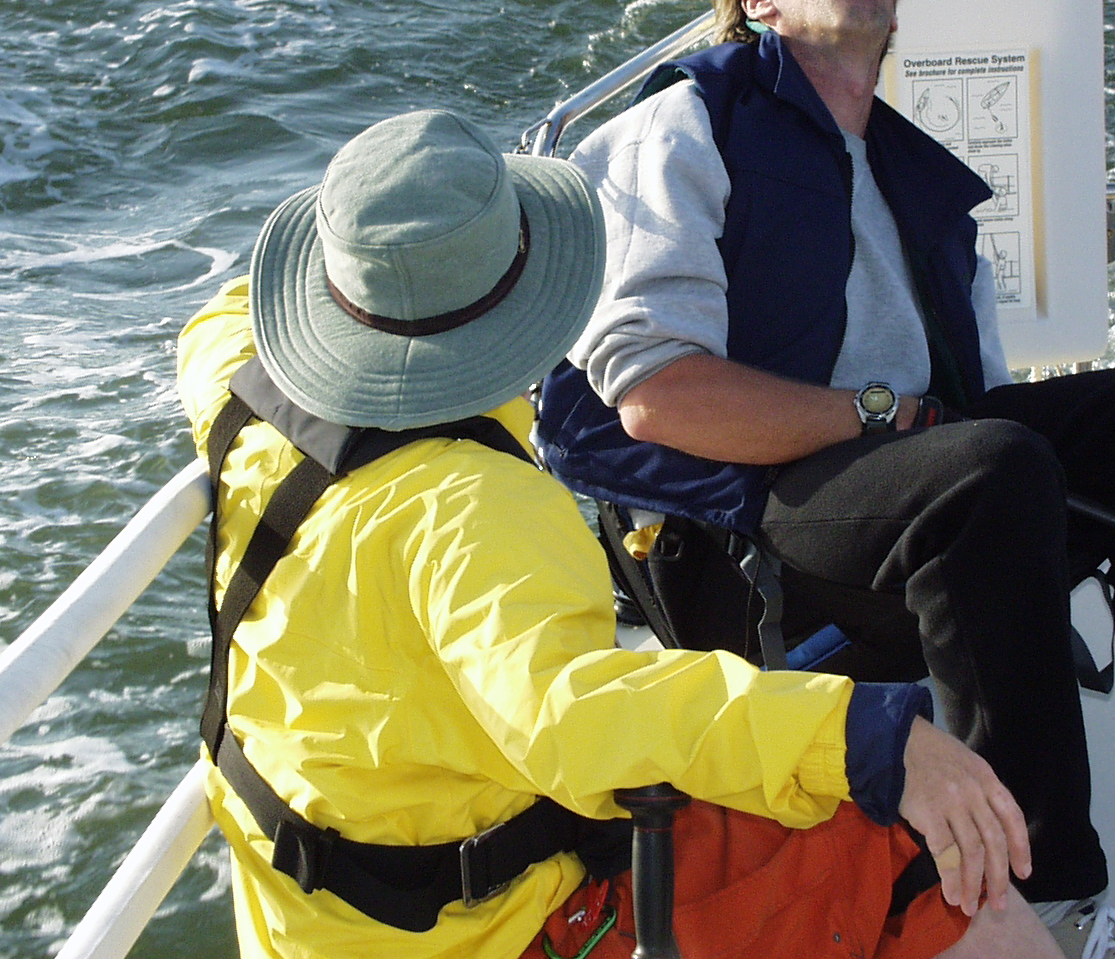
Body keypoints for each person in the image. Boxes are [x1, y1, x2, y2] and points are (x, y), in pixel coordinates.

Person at [537, 0, 1115, 959]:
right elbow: (656, 396)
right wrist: (882, 413)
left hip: (915, 498)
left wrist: (929, 434)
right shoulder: (685, 127)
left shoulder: (922, 184)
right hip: (737, 528)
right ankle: (1046, 900)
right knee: (988, 471)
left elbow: (984, 411)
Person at [178, 108, 1059, 959]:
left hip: (312, 919)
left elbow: (216, 319)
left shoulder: (239, 393)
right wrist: (862, 735)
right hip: (487, 932)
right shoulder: (477, 505)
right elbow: (573, 716)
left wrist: (385, 270)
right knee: (918, 857)